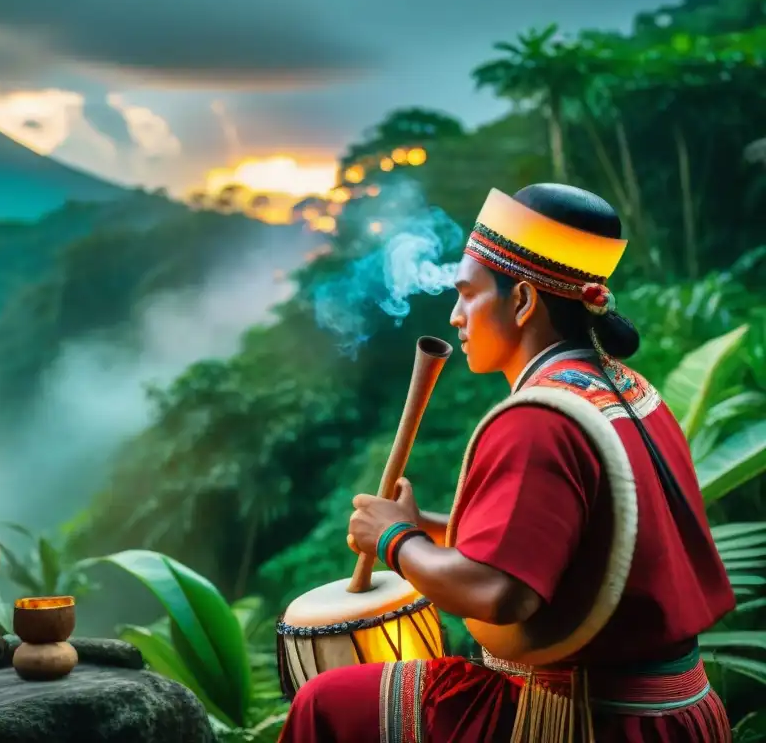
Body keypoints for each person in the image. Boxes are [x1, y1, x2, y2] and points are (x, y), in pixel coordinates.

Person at [278, 184, 735, 742]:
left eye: (467, 295)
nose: (455, 316)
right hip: (681, 712)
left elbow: (502, 593)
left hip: (588, 715)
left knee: (326, 703)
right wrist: (429, 531)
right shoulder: (622, 389)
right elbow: (558, 550)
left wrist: (397, 540)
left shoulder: (540, 418)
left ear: (521, 301)